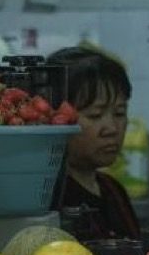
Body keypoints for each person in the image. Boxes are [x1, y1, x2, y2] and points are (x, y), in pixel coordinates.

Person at [49, 47, 142, 243]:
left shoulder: (113, 189)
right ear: (57, 118)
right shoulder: (51, 197)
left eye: (119, 113)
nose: (111, 128)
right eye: (95, 115)